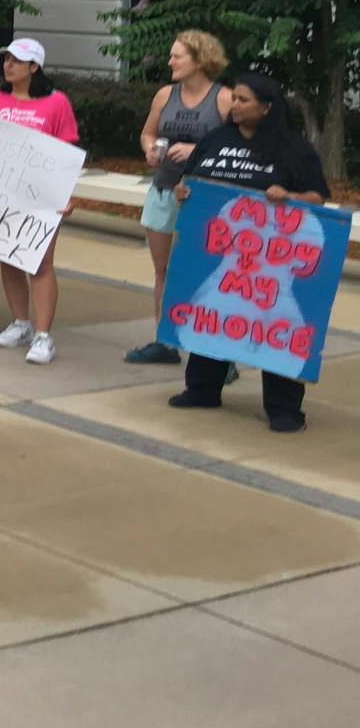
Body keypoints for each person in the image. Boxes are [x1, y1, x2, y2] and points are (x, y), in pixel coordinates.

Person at [166, 73, 331, 432]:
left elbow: (318, 197)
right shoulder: (216, 140)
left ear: (267, 108)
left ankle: (285, 408)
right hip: (222, 258)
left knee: (277, 328)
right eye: (234, 99)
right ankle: (202, 389)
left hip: (271, 265)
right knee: (212, 314)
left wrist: (290, 198)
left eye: (243, 100)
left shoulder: (293, 148)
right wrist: (183, 192)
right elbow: (189, 181)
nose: (235, 105)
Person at [127, 30, 232, 365]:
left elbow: (239, 148)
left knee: (208, 271)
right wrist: (150, 149)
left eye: (178, 56)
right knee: (164, 270)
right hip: (163, 189)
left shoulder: (224, 99)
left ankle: (218, 355)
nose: (170, 61)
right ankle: (166, 339)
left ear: (200, 60)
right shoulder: (164, 96)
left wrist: (197, 150)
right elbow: (148, 132)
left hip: (207, 198)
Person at [0, 39, 79, 364]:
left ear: (34, 67)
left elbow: (67, 152)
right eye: (6, 59)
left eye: (17, 60)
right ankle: (20, 322)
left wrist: (67, 194)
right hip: (3, 191)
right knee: (8, 256)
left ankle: (44, 335)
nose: (8, 65)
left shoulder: (56, 103)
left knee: (41, 263)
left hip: (43, 195)